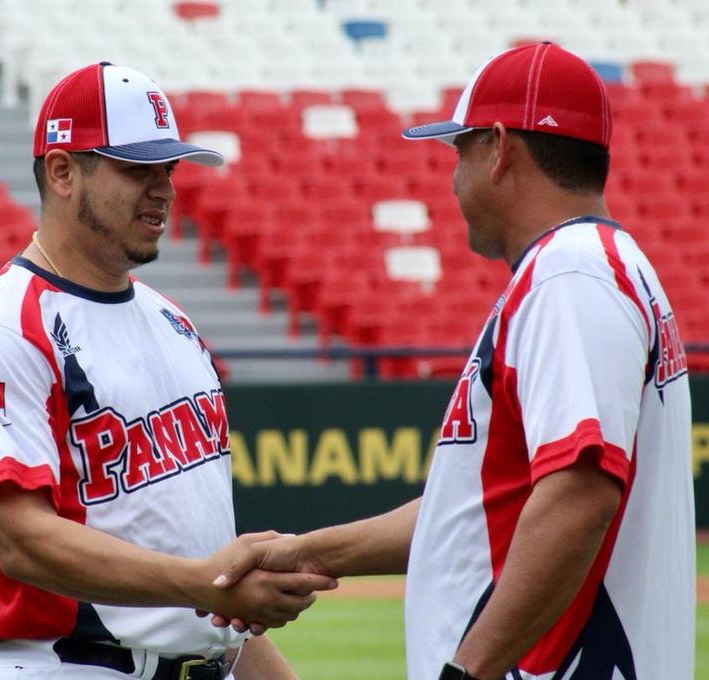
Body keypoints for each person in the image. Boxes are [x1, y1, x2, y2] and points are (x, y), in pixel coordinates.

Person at [207, 42, 696, 679]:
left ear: (499, 149)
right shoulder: (594, 268)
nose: (452, 174)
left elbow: (579, 495)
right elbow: (468, 514)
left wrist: (468, 671)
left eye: (458, 149)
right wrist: (307, 552)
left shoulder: (568, 276)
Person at [0, 61, 336, 680]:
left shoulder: (171, 319)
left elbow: (200, 574)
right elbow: (21, 541)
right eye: (136, 168)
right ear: (62, 171)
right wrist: (205, 583)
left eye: (168, 168)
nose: (165, 188)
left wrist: (221, 604)